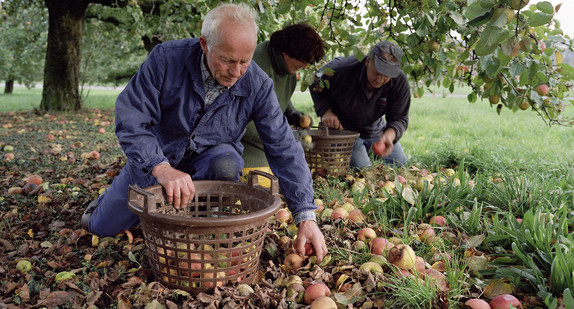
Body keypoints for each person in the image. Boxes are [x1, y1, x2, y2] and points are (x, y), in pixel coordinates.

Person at [81, 3, 327, 262]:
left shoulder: (257, 83)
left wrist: (306, 216)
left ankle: (198, 223)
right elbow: (132, 119)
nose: (236, 72)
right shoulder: (166, 59)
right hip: (158, 158)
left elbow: (284, 147)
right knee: (101, 229)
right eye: (227, 60)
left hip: (210, 160)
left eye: (245, 61)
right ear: (204, 44)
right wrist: (160, 167)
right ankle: (107, 203)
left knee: (227, 163)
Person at [310, 41, 410, 169]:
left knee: (399, 163)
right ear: (368, 62)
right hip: (343, 130)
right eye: (377, 72)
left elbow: (400, 118)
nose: (380, 79)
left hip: (374, 130)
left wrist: (388, 136)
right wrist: (325, 111)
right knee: (362, 169)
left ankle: (368, 150)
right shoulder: (341, 69)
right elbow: (315, 79)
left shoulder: (398, 81)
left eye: (386, 76)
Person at [241, 23, 325, 168]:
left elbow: (278, 101)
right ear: (286, 51)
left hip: (265, 143)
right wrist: (283, 136)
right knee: (268, 177)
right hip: (244, 145)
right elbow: (242, 122)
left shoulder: (288, 72)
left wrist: (293, 114)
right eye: (303, 60)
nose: (305, 66)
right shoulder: (257, 66)